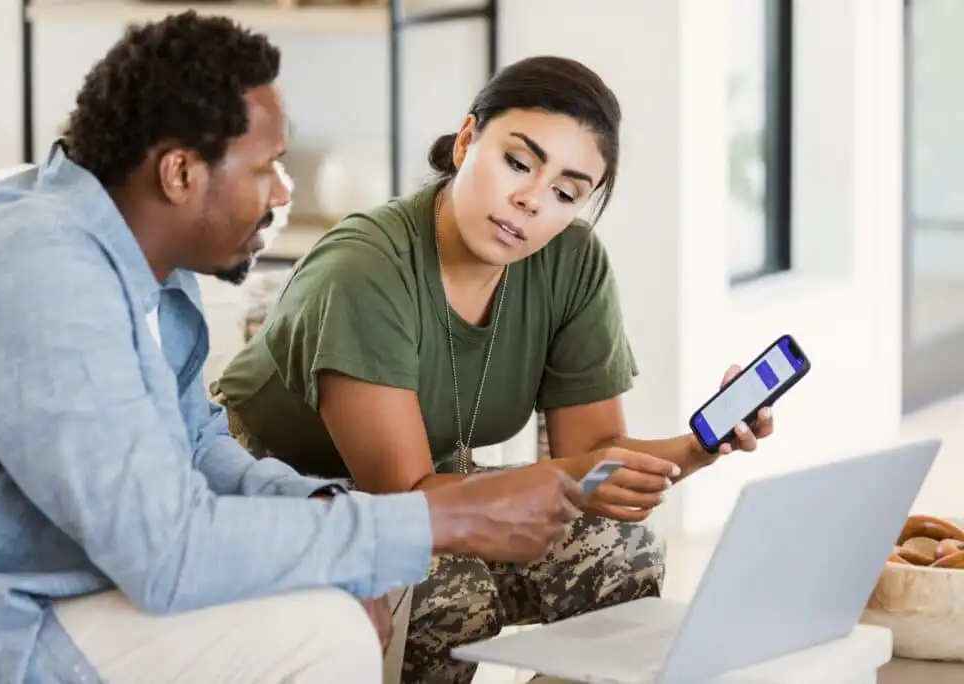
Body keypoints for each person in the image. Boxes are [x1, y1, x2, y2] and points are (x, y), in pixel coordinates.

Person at [0, 13, 594, 684]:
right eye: (265, 167)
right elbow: (165, 551)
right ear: (180, 173)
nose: (283, 193)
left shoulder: (143, 264)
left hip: (80, 575)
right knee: (323, 628)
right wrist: (425, 520)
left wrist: (329, 515)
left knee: (364, 557)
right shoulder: (43, 274)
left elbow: (194, 445)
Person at [214, 54, 776, 683]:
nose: (531, 201)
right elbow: (404, 501)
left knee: (622, 553)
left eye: (566, 192)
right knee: (445, 591)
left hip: (434, 487)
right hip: (281, 499)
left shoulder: (571, 264)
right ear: (465, 141)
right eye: (517, 162)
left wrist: (703, 446)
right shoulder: (365, 271)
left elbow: (592, 455)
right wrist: (574, 475)